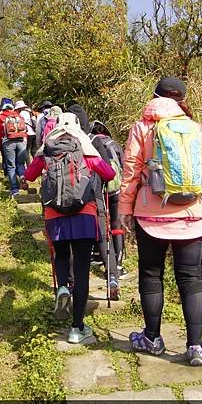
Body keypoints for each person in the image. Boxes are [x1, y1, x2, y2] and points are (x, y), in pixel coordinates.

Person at [119, 77, 202, 366]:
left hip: (151, 215)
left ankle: (152, 338)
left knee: (152, 275)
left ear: (155, 97)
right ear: (181, 100)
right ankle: (196, 347)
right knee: (191, 278)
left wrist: (125, 209)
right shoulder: (194, 128)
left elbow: (130, 172)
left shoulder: (142, 128)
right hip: (192, 215)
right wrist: (199, 194)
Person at [24, 113, 115, 344]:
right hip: (84, 215)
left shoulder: (48, 148)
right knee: (82, 269)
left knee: (62, 256)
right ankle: (77, 328)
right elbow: (109, 174)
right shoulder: (84, 147)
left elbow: (29, 174)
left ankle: (63, 286)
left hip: (55, 216)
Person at [68, 104, 120, 300]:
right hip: (94, 198)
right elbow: (108, 171)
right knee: (103, 239)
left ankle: (73, 283)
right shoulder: (93, 141)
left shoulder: (61, 140)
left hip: (67, 201)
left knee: (74, 243)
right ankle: (112, 278)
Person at [89, 120, 127, 279]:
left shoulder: (91, 142)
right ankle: (118, 263)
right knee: (116, 223)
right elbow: (125, 164)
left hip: (101, 188)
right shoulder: (114, 143)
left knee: (103, 224)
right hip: (117, 187)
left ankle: (102, 257)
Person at [0, 101, 28, 198]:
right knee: (21, 163)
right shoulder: (19, 116)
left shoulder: (0, 117)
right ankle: (22, 176)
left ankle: (14, 189)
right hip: (21, 141)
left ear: (3, 109)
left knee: (11, 166)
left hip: (8, 142)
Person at [14, 100, 37, 165]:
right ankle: (37, 167)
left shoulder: (21, 113)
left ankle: (29, 166)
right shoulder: (30, 111)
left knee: (26, 151)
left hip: (27, 133)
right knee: (34, 151)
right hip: (34, 132)